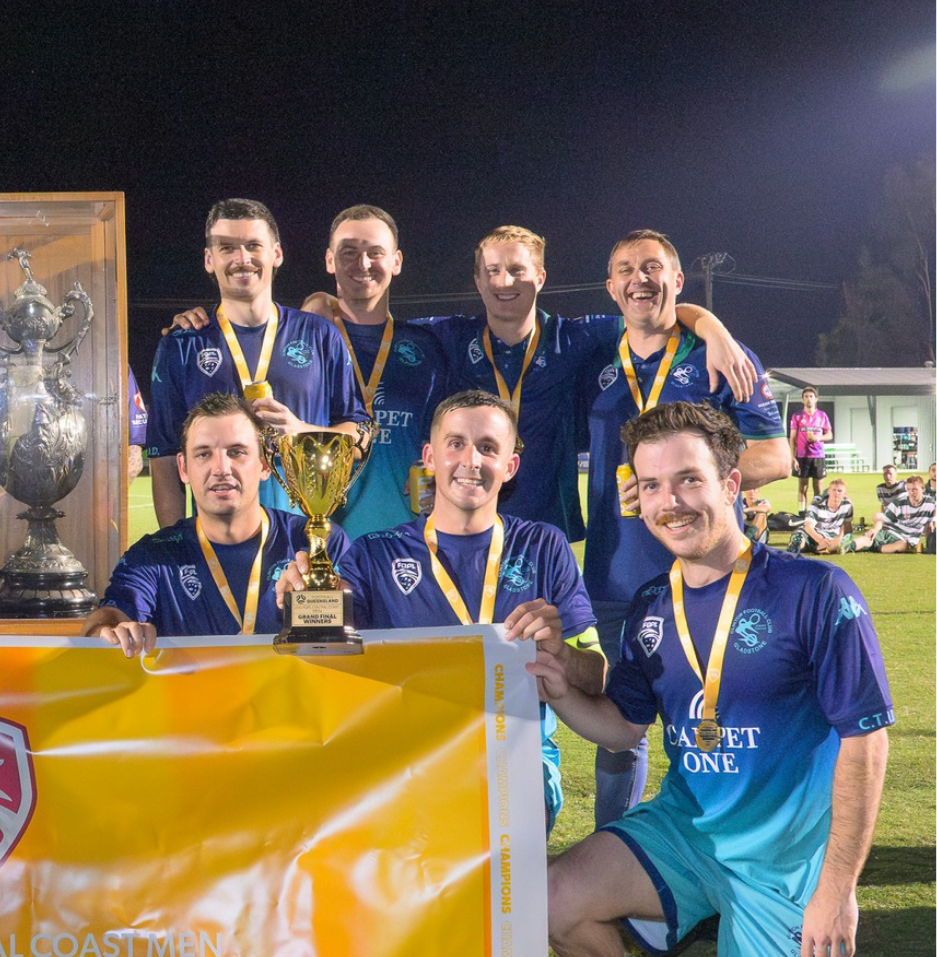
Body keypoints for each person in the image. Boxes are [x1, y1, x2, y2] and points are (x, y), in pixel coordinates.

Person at [538, 401, 890, 957]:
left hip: (786, 862)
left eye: (690, 480)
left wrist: (837, 888)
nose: (673, 502)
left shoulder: (815, 592)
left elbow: (865, 742)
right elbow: (623, 728)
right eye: (655, 485)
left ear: (731, 483)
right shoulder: (647, 607)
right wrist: (556, 689)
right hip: (689, 835)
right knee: (552, 898)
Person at [297, 226, 755, 541]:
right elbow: (379, 324)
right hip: (464, 524)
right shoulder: (451, 335)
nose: (504, 281)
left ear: (540, 276)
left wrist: (711, 327)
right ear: (477, 280)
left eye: (517, 270)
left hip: (543, 529)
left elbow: (654, 316)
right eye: (493, 271)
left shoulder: (576, 336)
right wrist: (318, 303)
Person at [281, 390, 604, 828]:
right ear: (430, 457)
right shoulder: (375, 554)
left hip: (515, 761)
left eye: (488, 448)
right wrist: (305, 600)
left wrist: (562, 655)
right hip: (413, 760)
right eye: (456, 444)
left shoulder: (544, 546)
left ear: (509, 466)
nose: (471, 460)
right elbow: (325, 664)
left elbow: (597, 674)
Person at [581, 229, 788, 828]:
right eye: (625, 269)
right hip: (616, 573)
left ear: (677, 280)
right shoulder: (597, 354)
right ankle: (611, 846)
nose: (638, 279)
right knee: (621, 726)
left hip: (705, 573)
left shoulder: (719, 355)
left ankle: (733, 843)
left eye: (653, 268)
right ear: (610, 287)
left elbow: (774, 457)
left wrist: (674, 490)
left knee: (719, 713)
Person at [147, 198, 366, 526]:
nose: (242, 258)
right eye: (227, 248)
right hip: (218, 546)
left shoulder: (320, 336)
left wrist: (301, 432)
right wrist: (175, 546)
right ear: (209, 259)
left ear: (276, 254)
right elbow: (165, 458)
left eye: (253, 245)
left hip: (305, 542)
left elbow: (359, 432)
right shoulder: (181, 345)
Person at [83, 393, 313, 651]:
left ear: (264, 463)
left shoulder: (313, 544)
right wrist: (111, 630)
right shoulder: (153, 557)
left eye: (236, 452)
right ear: (183, 468)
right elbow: (107, 618)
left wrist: (332, 601)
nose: (221, 468)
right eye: (204, 455)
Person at [317, 206, 450, 535]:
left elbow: (445, 439)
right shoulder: (303, 342)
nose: (363, 264)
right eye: (349, 252)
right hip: (320, 543)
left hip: (408, 544)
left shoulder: (426, 348)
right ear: (330, 260)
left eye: (375, 253)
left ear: (396, 261)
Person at [851, 474, 932, 553]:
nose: (911, 492)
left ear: (922, 488)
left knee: (904, 546)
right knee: (867, 539)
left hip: (906, 539)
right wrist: (875, 530)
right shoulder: (900, 501)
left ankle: (876, 548)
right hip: (889, 532)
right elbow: (882, 519)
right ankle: (845, 547)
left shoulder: (930, 504)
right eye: (908, 489)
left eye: (914, 489)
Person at [790, 387, 832, 510]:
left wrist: (818, 438)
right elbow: (792, 438)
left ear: (816, 399)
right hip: (802, 456)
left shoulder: (822, 415)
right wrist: (793, 457)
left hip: (818, 455)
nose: (809, 399)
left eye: (811, 396)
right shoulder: (797, 416)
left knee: (818, 487)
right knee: (802, 486)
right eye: (806, 396)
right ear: (802, 399)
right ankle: (802, 513)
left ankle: (817, 512)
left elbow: (829, 435)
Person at [791, 479, 854, 555]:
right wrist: (820, 540)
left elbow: (846, 526)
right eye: (833, 490)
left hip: (831, 536)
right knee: (798, 538)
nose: (836, 493)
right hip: (814, 534)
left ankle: (818, 548)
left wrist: (841, 539)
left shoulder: (847, 505)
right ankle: (793, 550)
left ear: (845, 494)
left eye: (839, 491)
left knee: (840, 543)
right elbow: (808, 527)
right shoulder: (817, 503)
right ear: (829, 491)